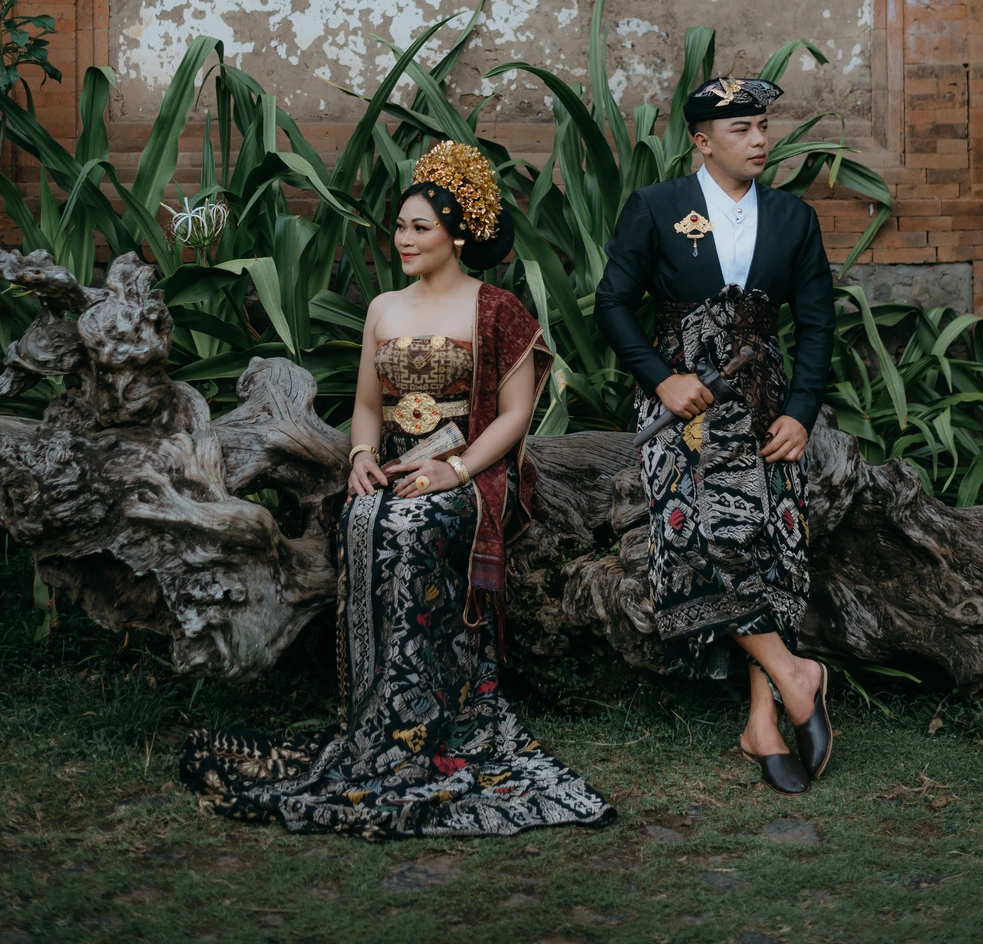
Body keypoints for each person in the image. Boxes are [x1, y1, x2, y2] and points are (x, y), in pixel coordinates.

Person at [182, 141, 613, 837]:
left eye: (420, 227)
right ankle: (374, 717)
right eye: (400, 227)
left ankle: (437, 712)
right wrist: (359, 455)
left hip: (471, 469)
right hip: (394, 462)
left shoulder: (497, 310)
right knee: (362, 520)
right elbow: (365, 404)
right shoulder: (383, 307)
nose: (403, 239)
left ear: (457, 236)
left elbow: (514, 417)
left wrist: (457, 471)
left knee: (410, 528)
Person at [594, 76, 835, 795]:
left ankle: (762, 722)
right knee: (694, 537)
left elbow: (817, 323)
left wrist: (801, 412)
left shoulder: (792, 217)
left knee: (770, 544)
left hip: (766, 405)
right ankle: (795, 674)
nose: (759, 140)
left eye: (762, 127)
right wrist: (659, 379)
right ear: (702, 141)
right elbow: (612, 303)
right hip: (684, 408)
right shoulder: (657, 206)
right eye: (741, 130)